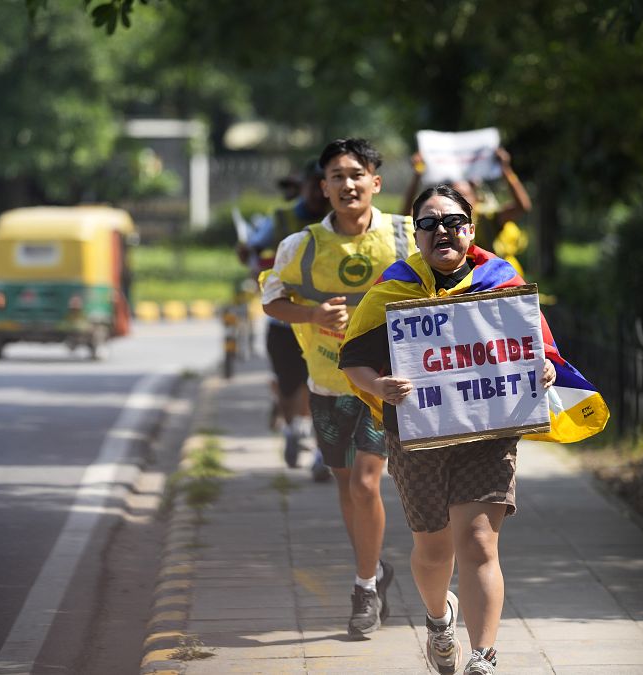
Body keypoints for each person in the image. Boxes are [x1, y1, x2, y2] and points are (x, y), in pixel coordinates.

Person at [340, 184, 608, 674]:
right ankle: (440, 621)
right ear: (415, 234)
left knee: (481, 543)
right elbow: (353, 359)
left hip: (490, 431)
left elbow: (540, 351)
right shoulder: (393, 289)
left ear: (469, 229)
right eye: (427, 223)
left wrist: (544, 368)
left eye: (451, 222)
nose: (440, 231)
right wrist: (379, 386)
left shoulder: (502, 281)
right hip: (418, 434)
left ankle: (483, 657)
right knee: (433, 547)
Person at [259, 137, 418, 636]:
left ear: (375, 182)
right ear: (322, 188)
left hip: (381, 389)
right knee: (348, 488)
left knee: (368, 483)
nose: (347, 184)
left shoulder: (407, 236)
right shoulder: (300, 246)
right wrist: (311, 314)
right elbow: (270, 300)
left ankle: (364, 590)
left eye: (356, 174)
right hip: (327, 385)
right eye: (336, 177)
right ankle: (373, 569)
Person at [248, 160, 330, 480]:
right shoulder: (282, 219)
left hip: (326, 324)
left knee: (322, 385)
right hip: (283, 322)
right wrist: (254, 263)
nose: (318, 192)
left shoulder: (342, 224)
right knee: (288, 384)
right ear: (304, 185)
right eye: (314, 184)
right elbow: (253, 249)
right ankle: (293, 430)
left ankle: (321, 450)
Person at [401, 146, 532, 261]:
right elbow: (406, 218)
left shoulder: (486, 218)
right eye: (453, 196)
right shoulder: (439, 223)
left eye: (463, 195)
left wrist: (506, 170)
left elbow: (522, 206)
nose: (458, 201)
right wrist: (417, 175)